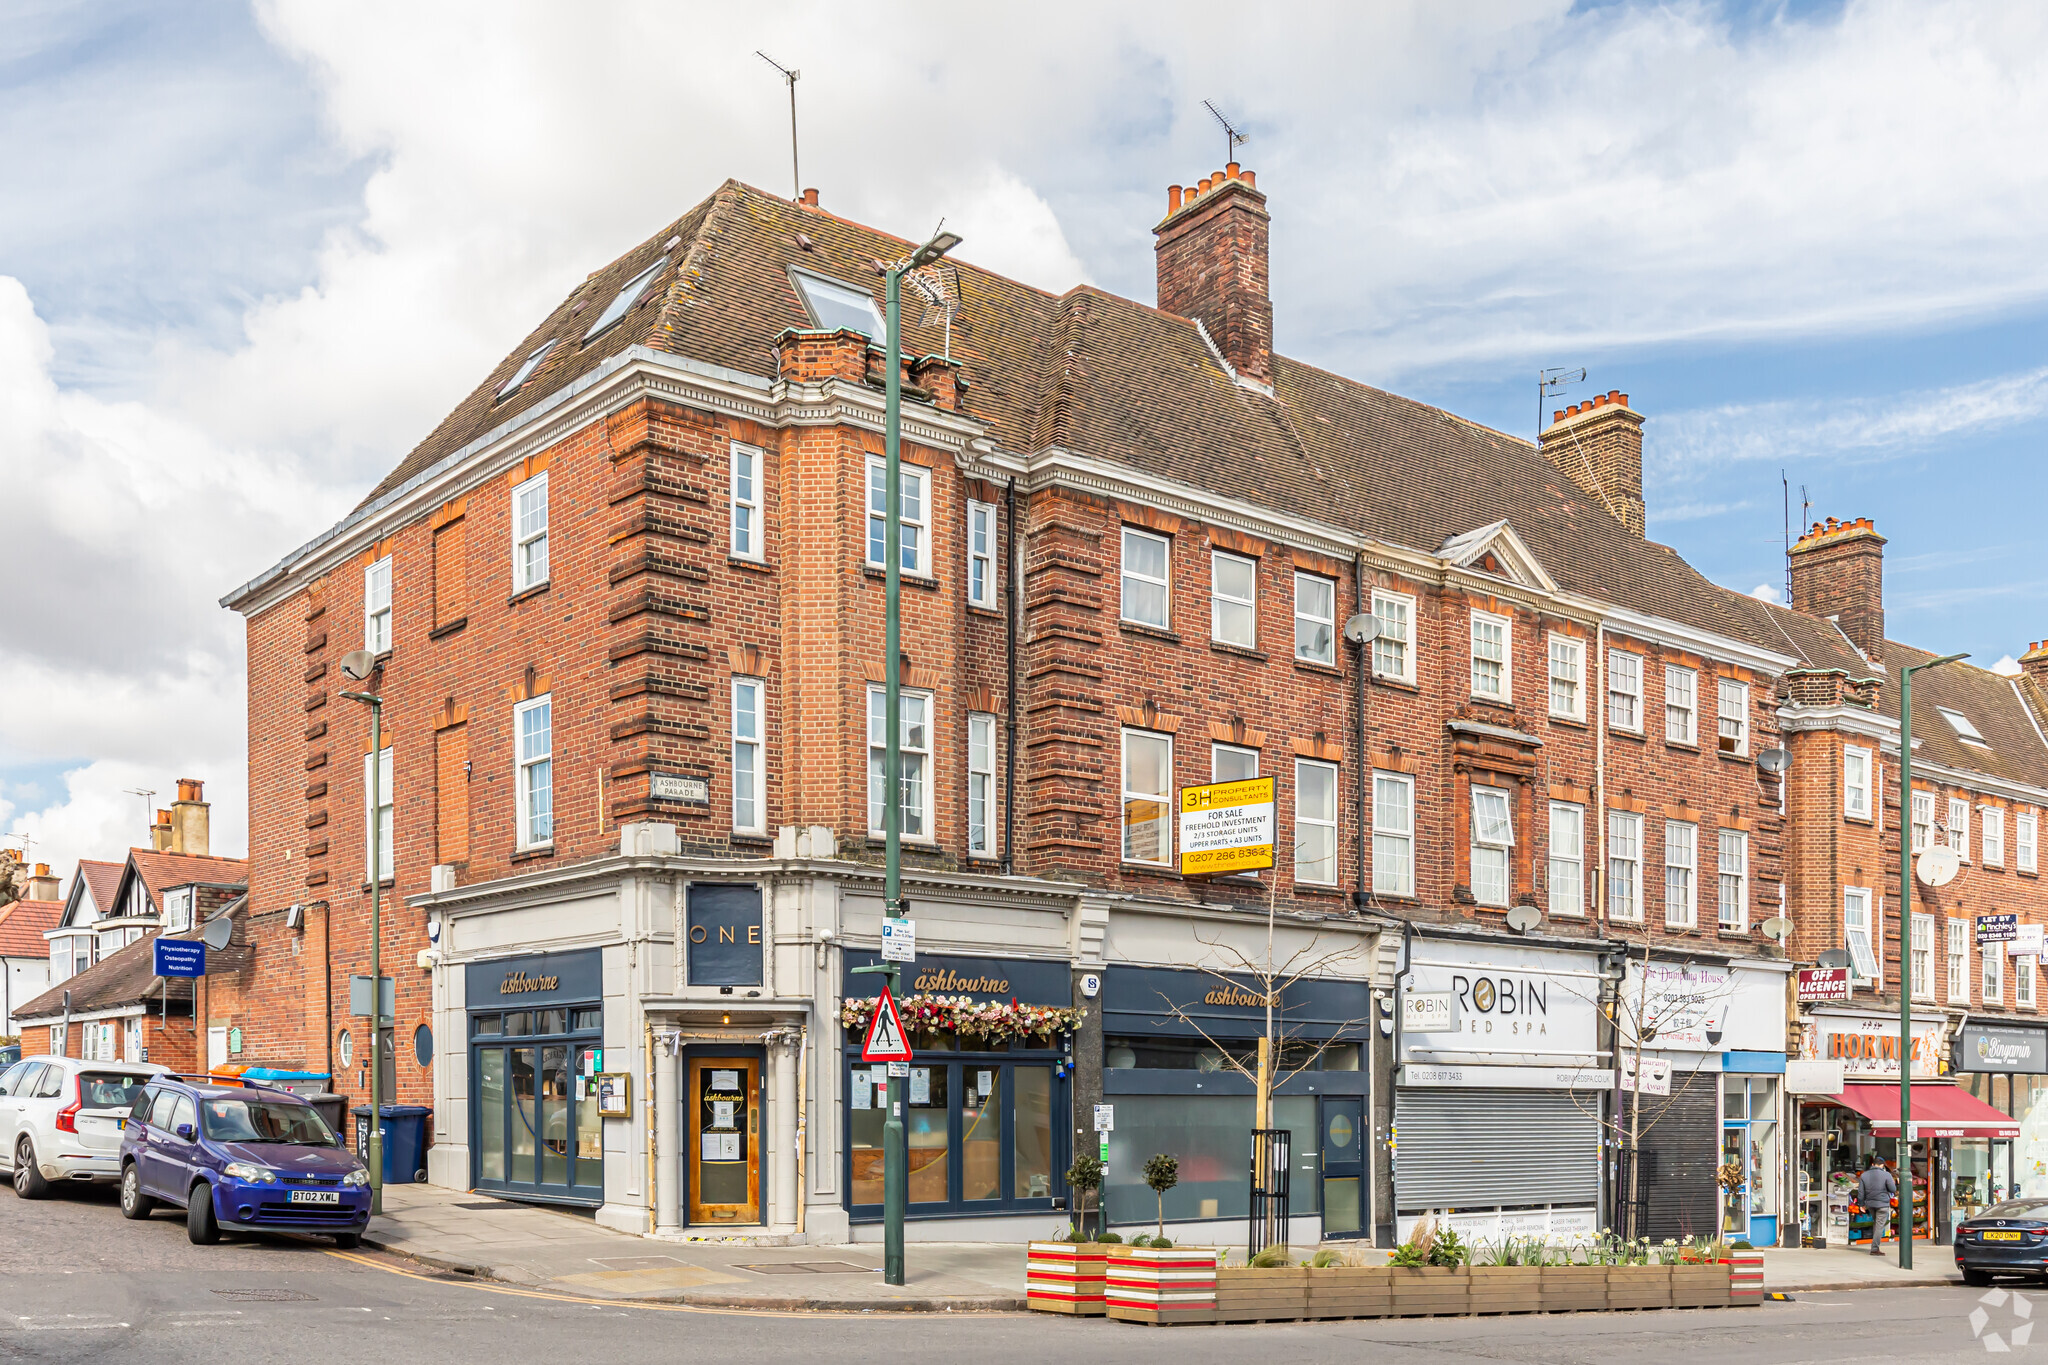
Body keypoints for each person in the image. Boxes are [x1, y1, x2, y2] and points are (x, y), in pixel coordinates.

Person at [1858, 1154, 1899, 1255]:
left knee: (1876, 1224)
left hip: (1870, 1204)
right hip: (1883, 1204)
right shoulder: (1887, 1175)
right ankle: (1875, 1249)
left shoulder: (1864, 1175)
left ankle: (1874, 1246)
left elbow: (1861, 1192)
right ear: (1883, 1165)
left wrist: (1861, 1204)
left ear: (1872, 1164)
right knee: (1879, 1226)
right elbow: (1893, 1189)